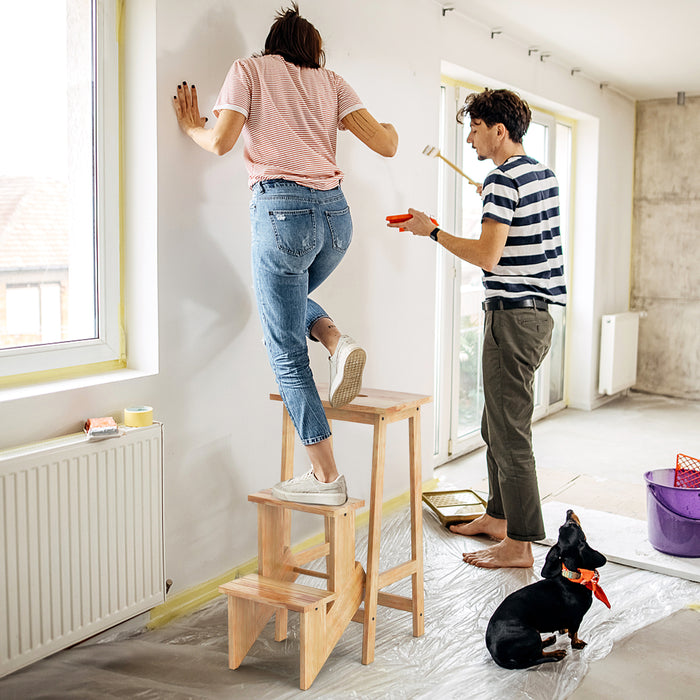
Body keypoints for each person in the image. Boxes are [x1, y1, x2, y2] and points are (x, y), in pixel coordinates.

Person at [173, 4, 397, 506]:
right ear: (313, 49)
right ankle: (335, 339)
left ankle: (326, 479)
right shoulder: (332, 81)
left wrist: (192, 126)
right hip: (336, 221)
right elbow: (385, 144)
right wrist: (394, 130)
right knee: (286, 308)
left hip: (282, 214)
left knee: (284, 349)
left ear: (273, 42)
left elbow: (221, 142)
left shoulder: (248, 70)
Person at [388, 88, 566, 568]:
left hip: (511, 317)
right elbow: (520, 239)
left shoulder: (503, 180)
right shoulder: (541, 176)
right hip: (535, 315)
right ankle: (499, 517)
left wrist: (433, 232)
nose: (469, 138)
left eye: (475, 127)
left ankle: (520, 543)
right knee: (495, 423)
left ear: (498, 130)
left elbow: (488, 255)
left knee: (509, 432)